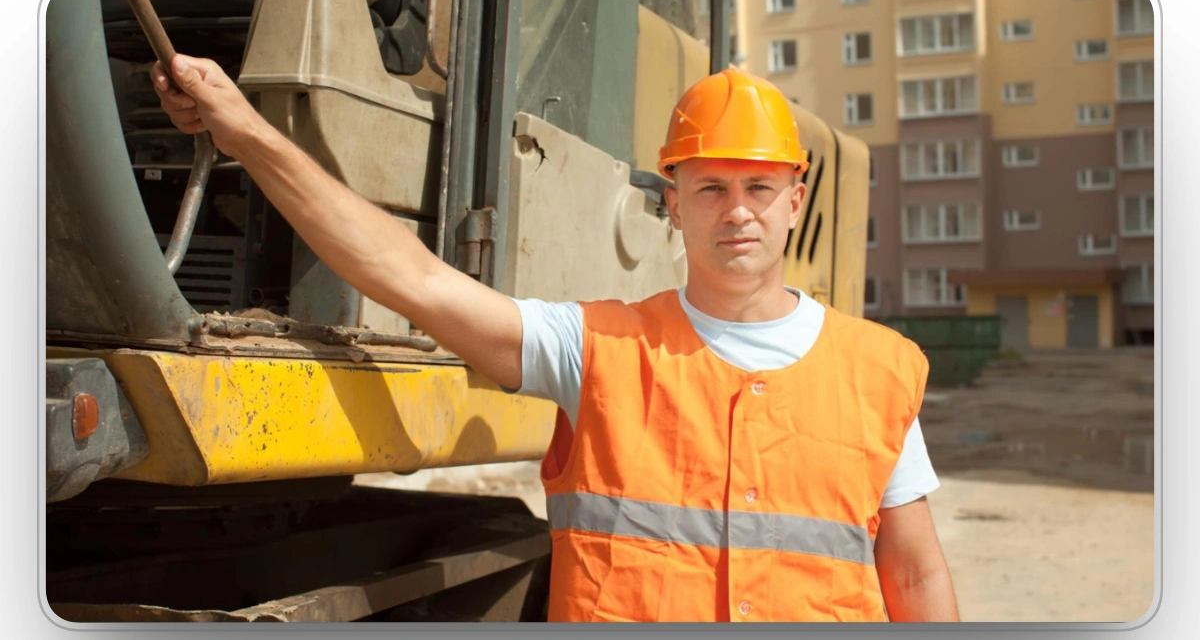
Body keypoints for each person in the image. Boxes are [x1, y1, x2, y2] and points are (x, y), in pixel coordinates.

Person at [151, 53, 960, 623]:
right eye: (710, 187)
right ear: (673, 204)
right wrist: (249, 134)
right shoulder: (596, 348)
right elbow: (416, 278)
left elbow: (915, 571)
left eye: (758, 186)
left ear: (795, 198)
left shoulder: (877, 369)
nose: (737, 210)